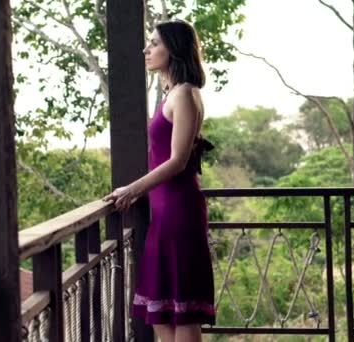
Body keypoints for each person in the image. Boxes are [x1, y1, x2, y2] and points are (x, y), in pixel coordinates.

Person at [103, 20, 215, 342]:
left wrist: (132, 189)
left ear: (174, 49)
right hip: (164, 213)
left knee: (183, 313)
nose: (146, 49)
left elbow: (177, 160)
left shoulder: (184, 94)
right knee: (162, 312)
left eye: (154, 43)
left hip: (179, 212)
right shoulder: (171, 94)